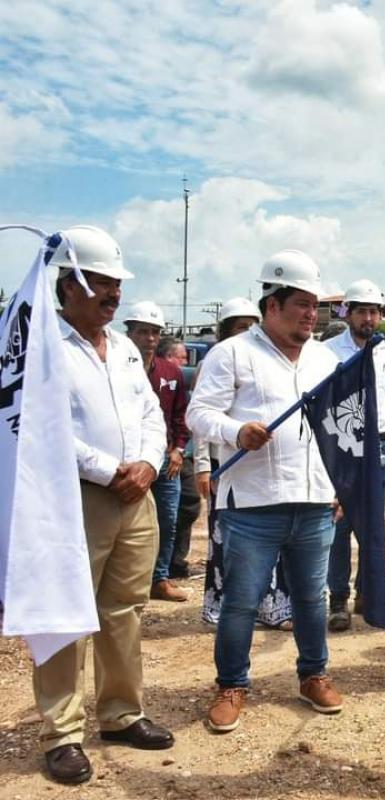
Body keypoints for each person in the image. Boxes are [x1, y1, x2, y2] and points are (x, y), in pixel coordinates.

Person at [35, 226, 174, 785]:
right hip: (75, 497)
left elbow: (151, 416)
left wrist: (148, 464)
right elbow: (39, 426)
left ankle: (120, 714)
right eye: (102, 283)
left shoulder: (125, 350)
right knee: (66, 613)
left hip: (135, 496)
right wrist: (108, 469)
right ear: (69, 284)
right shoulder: (42, 345)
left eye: (118, 284)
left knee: (123, 610)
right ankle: (61, 733)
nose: (114, 294)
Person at [187, 250, 343, 733]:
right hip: (252, 505)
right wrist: (236, 432)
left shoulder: (324, 359)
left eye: (315, 305)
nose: (310, 315)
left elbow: (338, 428)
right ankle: (232, 684)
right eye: (301, 304)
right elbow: (198, 414)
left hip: (314, 500)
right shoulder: (233, 353)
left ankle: (313, 675)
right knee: (241, 601)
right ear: (271, 305)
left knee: (312, 598)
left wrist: (340, 485)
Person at [194, 297, 293, 629]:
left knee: (270, 545)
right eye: (240, 326)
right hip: (225, 467)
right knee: (225, 542)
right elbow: (201, 421)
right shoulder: (217, 362)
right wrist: (202, 468)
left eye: (252, 324)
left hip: (262, 469)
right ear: (225, 330)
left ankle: (271, 607)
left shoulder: (266, 360)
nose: (248, 331)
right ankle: (223, 607)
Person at [323, 279, 385, 632]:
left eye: (374, 312)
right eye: (362, 312)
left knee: (372, 522)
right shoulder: (328, 352)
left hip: (380, 445)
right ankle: (337, 598)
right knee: (339, 523)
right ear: (348, 313)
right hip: (342, 445)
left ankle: (366, 592)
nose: (368, 319)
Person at [124, 301, 190, 602]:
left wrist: (179, 449)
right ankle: (129, 581)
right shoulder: (117, 368)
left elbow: (180, 415)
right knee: (126, 523)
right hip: (128, 458)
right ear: (130, 333)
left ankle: (159, 578)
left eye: (154, 332)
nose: (149, 338)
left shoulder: (171, 372)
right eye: (142, 331)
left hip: (165, 459)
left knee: (167, 519)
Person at [154, 335, 199, 580]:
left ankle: (169, 566)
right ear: (170, 356)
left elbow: (182, 416)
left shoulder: (178, 378)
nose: (185, 363)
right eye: (182, 357)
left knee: (182, 508)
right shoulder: (141, 373)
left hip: (175, 454)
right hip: (148, 455)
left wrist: (179, 448)